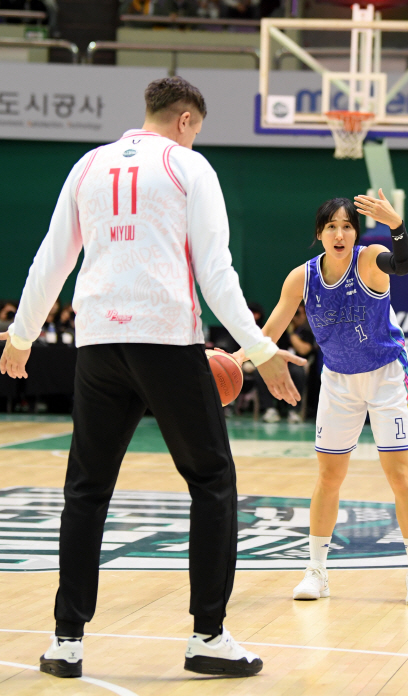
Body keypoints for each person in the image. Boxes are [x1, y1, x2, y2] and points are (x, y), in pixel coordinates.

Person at [0, 76, 305, 680]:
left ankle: (66, 642)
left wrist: (21, 335)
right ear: (187, 120)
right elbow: (217, 275)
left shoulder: (88, 165)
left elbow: (52, 256)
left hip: (98, 345)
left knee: (85, 492)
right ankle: (208, 636)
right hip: (165, 339)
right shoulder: (190, 168)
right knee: (212, 479)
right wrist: (262, 348)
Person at [237, 192, 408, 605]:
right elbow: (270, 328)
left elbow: (403, 265)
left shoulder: (370, 259)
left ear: (355, 232)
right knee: (329, 477)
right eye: (332, 227)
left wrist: (396, 227)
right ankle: (317, 570)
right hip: (339, 382)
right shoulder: (301, 278)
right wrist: (240, 358)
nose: (340, 233)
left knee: (399, 475)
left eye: (347, 226)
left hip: (385, 376)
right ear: (320, 234)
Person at [257, 302, 315, 423]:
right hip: (279, 361)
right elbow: (270, 345)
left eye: (299, 313)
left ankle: (294, 411)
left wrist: (291, 333)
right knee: (260, 371)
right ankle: (269, 409)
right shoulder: (281, 330)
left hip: (297, 363)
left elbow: (304, 350)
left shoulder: (307, 330)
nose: (296, 316)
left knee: (297, 373)